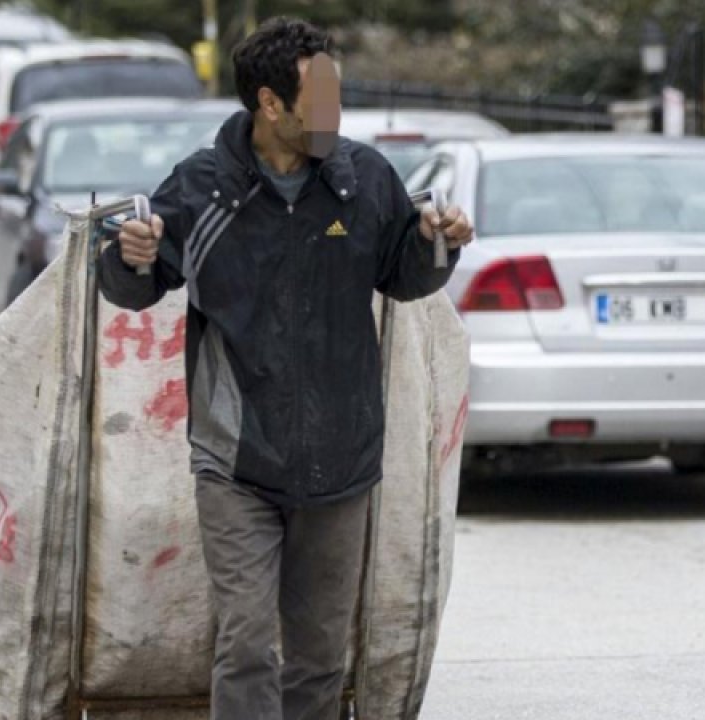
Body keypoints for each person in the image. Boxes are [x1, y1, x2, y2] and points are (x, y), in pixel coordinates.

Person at [96, 17, 474, 720]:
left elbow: (402, 275)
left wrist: (437, 245)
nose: (335, 110)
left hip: (343, 455)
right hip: (236, 457)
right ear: (270, 104)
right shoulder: (203, 188)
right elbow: (135, 286)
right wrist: (130, 257)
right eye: (319, 96)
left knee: (321, 655)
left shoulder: (364, 179)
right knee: (244, 645)